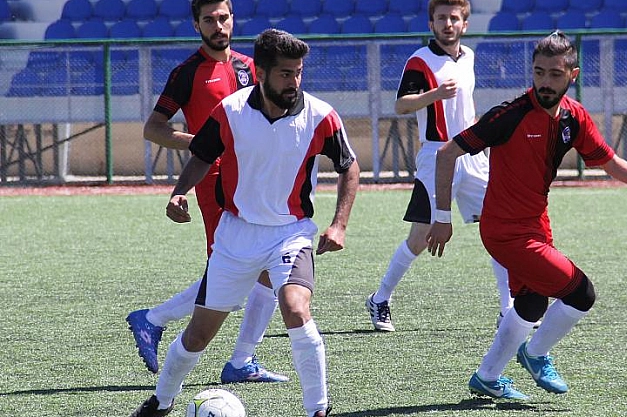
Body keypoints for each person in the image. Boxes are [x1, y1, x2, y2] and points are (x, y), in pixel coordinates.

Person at [427, 30, 627, 400]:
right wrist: (442, 217)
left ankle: (487, 377)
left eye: (555, 74)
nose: (545, 82)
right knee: (582, 293)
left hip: (536, 224)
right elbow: (447, 153)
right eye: (539, 72)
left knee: (531, 303)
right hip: (505, 232)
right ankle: (535, 354)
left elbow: (608, 161)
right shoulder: (509, 115)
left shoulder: (574, 117)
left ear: (572, 76)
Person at [130, 28, 360, 417]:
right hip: (236, 236)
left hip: (291, 233)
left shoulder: (321, 115)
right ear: (262, 74)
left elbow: (348, 166)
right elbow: (202, 155)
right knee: (198, 335)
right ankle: (161, 402)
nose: (294, 81)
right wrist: (179, 192)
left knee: (295, 308)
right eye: (285, 73)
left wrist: (339, 223)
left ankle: (318, 409)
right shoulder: (231, 111)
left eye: (299, 72)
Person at [127, 0, 286, 384]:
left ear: (233, 19)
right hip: (215, 182)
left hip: (255, 180)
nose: (218, 26)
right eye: (209, 20)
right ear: (196, 25)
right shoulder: (187, 73)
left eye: (223, 18)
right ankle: (154, 319)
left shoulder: (251, 67)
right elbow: (153, 128)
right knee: (234, 273)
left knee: (268, 267)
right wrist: (199, 141)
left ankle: (240, 361)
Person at [364, 0, 514, 332]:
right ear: (431, 23)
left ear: (465, 24)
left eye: (454, 18)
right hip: (435, 156)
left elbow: (466, 106)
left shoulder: (469, 57)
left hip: (472, 155)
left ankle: (509, 309)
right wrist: (434, 94)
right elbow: (401, 105)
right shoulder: (420, 60)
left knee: (500, 228)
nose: (448, 23)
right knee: (420, 237)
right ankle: (380, 298)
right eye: (441, 17)